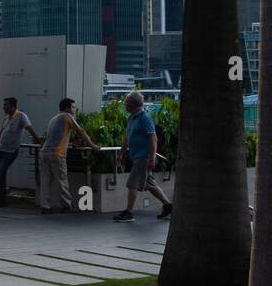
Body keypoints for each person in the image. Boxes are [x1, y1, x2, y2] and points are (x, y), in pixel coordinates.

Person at [114, 91, 173, 222]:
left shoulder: (144, 118)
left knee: (132, 184)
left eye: (127, 102)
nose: (125, 104)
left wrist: (151, 158)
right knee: (150, 184)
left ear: (134, 104)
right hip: (136, 155)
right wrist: (121, 153)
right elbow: (127, 137)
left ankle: (129, 212)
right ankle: (168, 205)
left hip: (143, 156)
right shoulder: (131, 118)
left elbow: (153, 138)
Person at [39, 98, 100, 214]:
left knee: (45, 181)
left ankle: (45, 207)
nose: (74, 110)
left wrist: (70, 144)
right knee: (61, 180)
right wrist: (92, 145)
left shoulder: (54, 118)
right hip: (57, 154)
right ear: (67, 108)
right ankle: (66, 205)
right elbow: (80, 131)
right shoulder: (67, 116)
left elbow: (55, 137)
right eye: (73, 107)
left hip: (44, 153)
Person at [0, 97, 40, 207]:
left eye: (6, 105)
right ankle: (0, 201)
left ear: (13, 106)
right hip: (0, 151)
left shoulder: (21, 116)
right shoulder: (6, 118)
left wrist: (39, 142)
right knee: (1, 176)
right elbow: (0, 134)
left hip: (10, 152)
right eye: (4, 105)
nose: (4, 107)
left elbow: (30, 129)